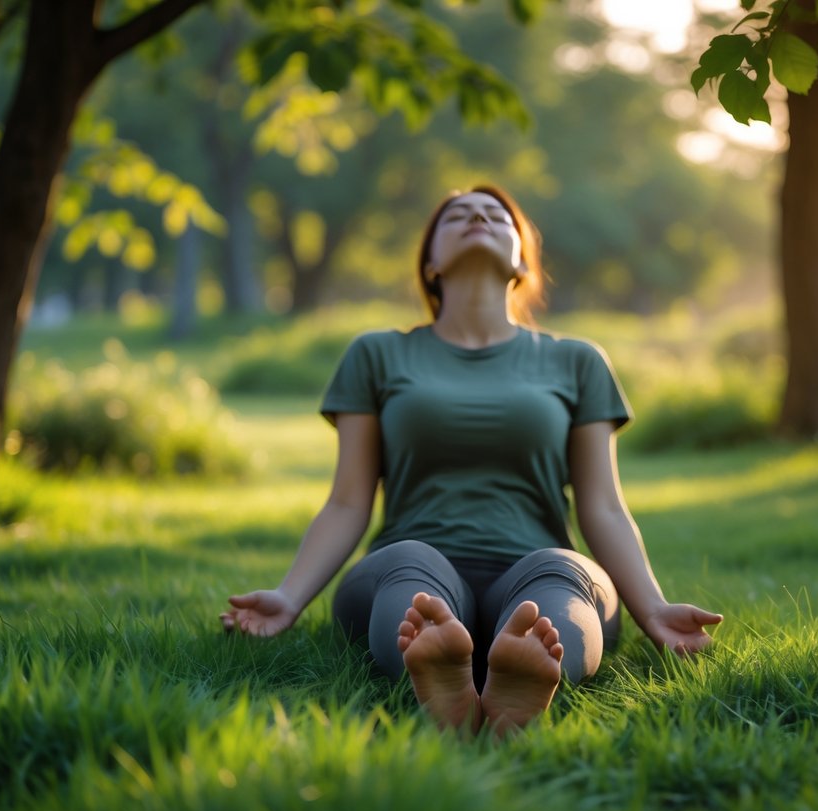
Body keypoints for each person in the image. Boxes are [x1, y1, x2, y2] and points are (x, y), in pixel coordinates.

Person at [220, 185, 722, 736]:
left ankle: (517, 686)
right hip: (406, 565)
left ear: (522, 261)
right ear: (431, 261)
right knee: (412, 570)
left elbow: (602, 506)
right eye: (457, 216)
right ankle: (442, 676)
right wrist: (289, 597)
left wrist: (650, 608)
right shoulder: (377, 353)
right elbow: (347, 501)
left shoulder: (576, 360)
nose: (478, 217)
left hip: (533, 565)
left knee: (562, 571)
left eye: (495, 215)